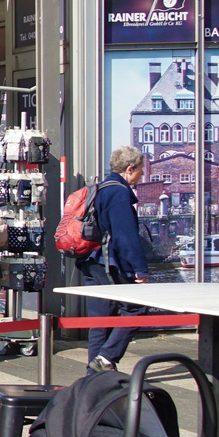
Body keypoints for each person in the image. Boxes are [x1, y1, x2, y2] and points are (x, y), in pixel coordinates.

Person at [76, 146, 149, 373]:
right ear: (130, 169)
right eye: (141, 170)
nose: (142, 174)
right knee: (136, 310)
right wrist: (140, 269)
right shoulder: (119, 192)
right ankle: (106, 358)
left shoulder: (100, 188)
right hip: (108, 263)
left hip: (91, 260)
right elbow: (125, 236)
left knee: (100, 321)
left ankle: (93, 377)